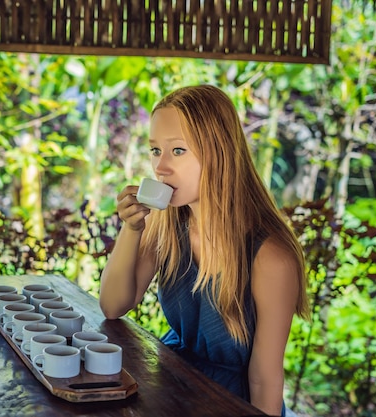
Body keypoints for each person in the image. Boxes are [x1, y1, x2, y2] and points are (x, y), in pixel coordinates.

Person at [99, 85, 310, 416]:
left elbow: (264, 381)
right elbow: (113, 306)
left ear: (219, 152)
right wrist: (132, 228)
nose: (161, 167)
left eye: (178, 151)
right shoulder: (166, 223)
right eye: (155, 150)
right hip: (171, 382)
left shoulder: (270, 257)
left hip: (229, 401)